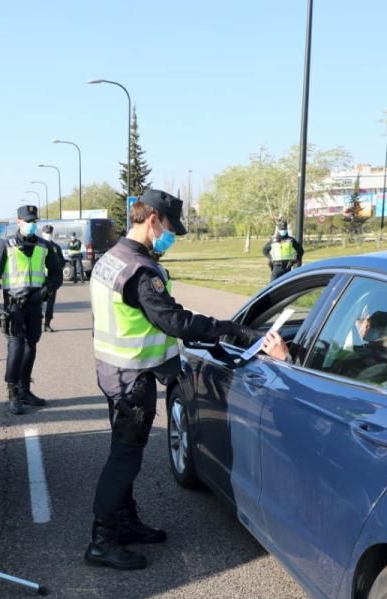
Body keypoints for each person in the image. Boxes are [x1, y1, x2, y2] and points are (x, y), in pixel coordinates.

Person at [87, 189, 288, 570]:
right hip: (133, 377)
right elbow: (172, 321)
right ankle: (102, 540)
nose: (171, 236)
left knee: (125, 455)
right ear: (152, 221)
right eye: (169, 228)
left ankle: (124, 523)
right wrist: (232, 330)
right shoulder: (140, 270)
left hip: (116, 372)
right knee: (124, 460)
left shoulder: (113, 259)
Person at [0, 205, 64, 415]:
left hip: (34, 304)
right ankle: (12, 393)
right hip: (13, 305)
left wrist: (45, 292)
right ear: (19, 221)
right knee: (16, 347)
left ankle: (25, 390)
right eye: (28, 221)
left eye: (34, 222)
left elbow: (57, 275)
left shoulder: (44, 245)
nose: (32, 225)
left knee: (31, 345)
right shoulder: (6, 245)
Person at [333, 308, 387, 385]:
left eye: (375, 325)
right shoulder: (367, 352)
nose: (366, 326)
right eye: (367, 323)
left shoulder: (375, 362)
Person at [40, 224, 66, 332]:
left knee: (50, 303)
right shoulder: (37, 245)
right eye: (46, 233)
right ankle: (36, 322)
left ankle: (47, 324)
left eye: (49, 233)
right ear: (42, 234)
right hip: (39, 280)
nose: (48, 235)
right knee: (37, 302)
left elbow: (62, 262)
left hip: (51, 280)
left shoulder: (56, 247)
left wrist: (56, 267)